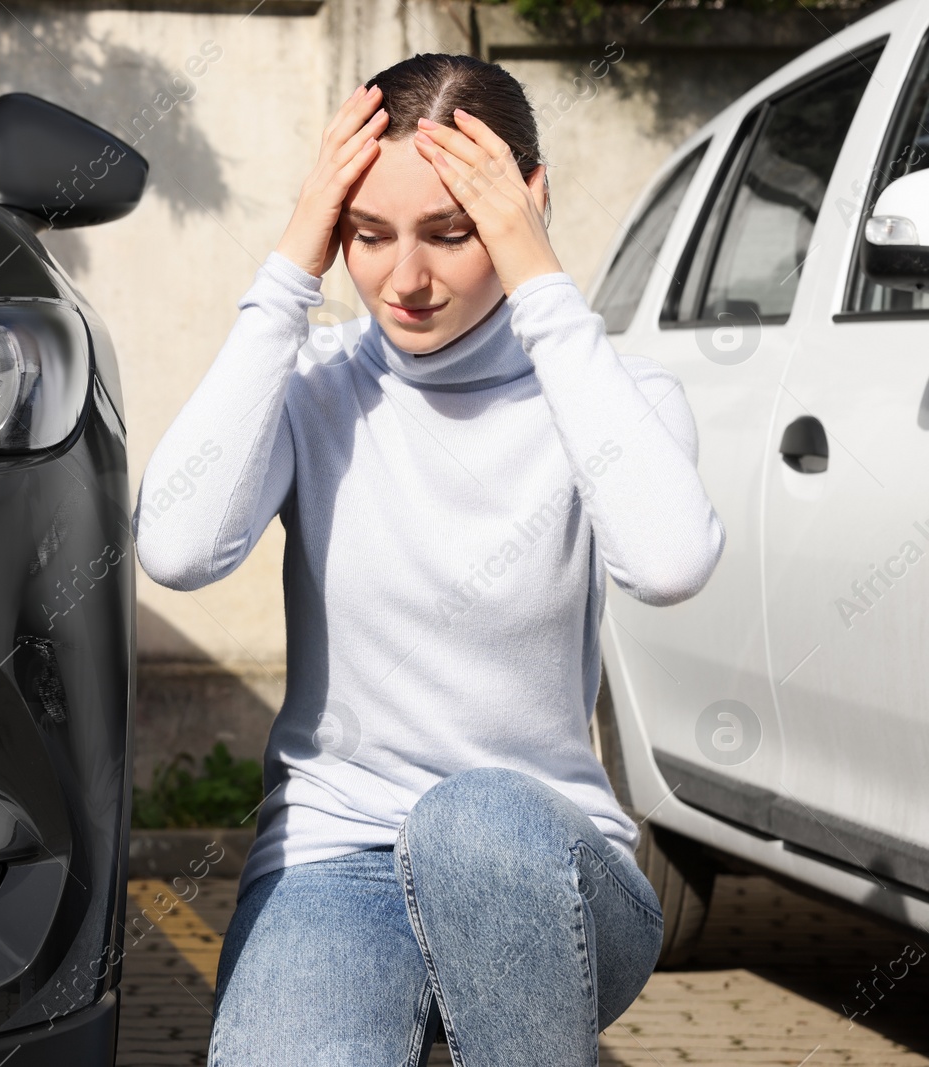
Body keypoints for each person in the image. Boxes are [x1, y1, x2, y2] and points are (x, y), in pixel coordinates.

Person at [131, 53, 726, 1066]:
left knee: (472, 818)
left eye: (451, 233)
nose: (404, 280)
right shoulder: (315, 388)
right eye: (366, 235)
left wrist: (539, 283)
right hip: (336, 862)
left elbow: (668, 562)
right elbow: (175, 549)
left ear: (519, 207)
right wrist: (287, 271)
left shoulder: (607, 395)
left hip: (545, 866)